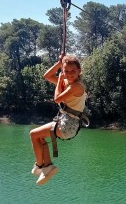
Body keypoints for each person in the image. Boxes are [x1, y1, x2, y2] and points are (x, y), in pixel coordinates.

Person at [29, 54, 87, 185]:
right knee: (38, 136)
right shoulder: (67, 82)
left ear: (79, 71)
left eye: (73, 71)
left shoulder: (76, 87)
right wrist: (58, 63)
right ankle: (47, 165)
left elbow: (57, 99)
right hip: (66, 123)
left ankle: (39, 165)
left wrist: (60, 78)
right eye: (66, 71)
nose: (69, 74)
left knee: (33, 134)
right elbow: (47, 76)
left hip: (67, 126)